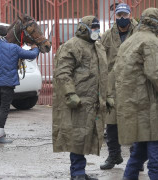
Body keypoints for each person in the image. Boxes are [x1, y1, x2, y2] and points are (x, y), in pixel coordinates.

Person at [114, 8, 158, 180]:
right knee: (156, 156)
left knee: (138, 154)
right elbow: (157, 74)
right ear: (155, 23)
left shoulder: (129, 41)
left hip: (136, 108)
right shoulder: (151, 42)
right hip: (152, 110)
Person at [52, 16, 108, 180]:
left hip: (93, 101)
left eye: (98, 28)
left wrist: (108, 95)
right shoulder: (71, 46)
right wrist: (70, 93)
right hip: (78, 101)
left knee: (86, 136)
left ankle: (80, 171)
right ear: (84, 28)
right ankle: (77, 173)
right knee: (77, 136)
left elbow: (104, 73)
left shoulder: (98, 47)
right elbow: (63, 72)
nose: (96, 31)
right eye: (94, 27)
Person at [0, 25, 39, 143]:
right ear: (6, 35)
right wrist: (35, 48)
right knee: (4, 107)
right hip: (8, 83)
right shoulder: (14, 48)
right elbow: (32, 55)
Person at [99, 3, 137, 170]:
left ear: (130, 15)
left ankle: (136, 159)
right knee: (112, 123)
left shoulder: (139, 33)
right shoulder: (107, 35)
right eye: (119, 15)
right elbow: (100, 57)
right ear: (115, 16)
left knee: (134, 122)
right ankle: (114, 155)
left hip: (134, 85)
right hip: (112, 86)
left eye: (125, 15)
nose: (122, 18)